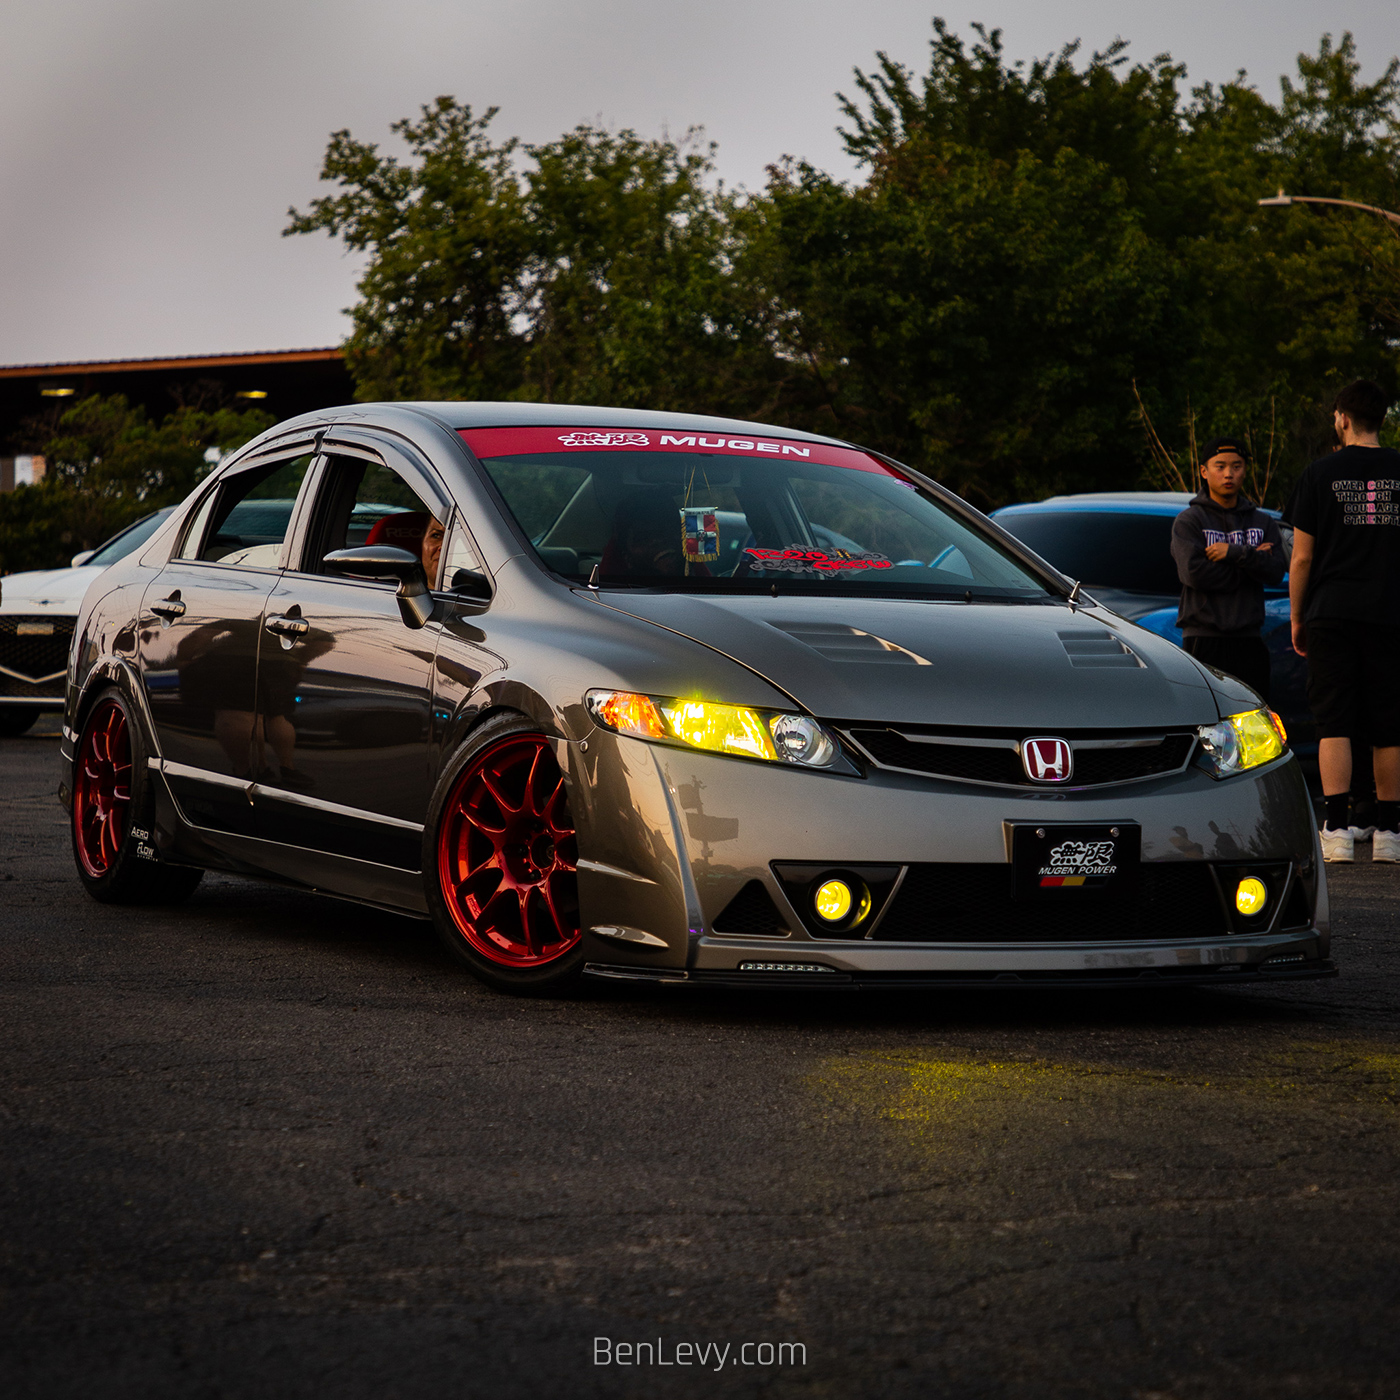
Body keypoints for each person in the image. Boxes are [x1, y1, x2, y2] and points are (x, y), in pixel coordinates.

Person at [1288, 379, 1400, 863]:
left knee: (1333, 718)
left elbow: (1302, 560)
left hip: (1331, 611)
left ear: (1342, 418)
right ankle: (1390, 835)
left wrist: (1297, 617)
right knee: (1389, 723)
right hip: (1390, 612)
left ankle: (1335, 830)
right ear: (1383, 419)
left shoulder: (1318, 473)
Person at [1171, 436, 1286, 697]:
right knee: (1205, 720)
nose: (1228, 474)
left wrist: (1233, 552)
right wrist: (1252, 562)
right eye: (1219, 466)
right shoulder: (1189, 521)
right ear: (1204, 471)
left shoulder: (1262, 522)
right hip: (1204, 638)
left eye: (1236, 466)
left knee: (1255, 721)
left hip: (1250, 639)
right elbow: (1195, 574)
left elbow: (1275, 571)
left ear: (1245, 470)